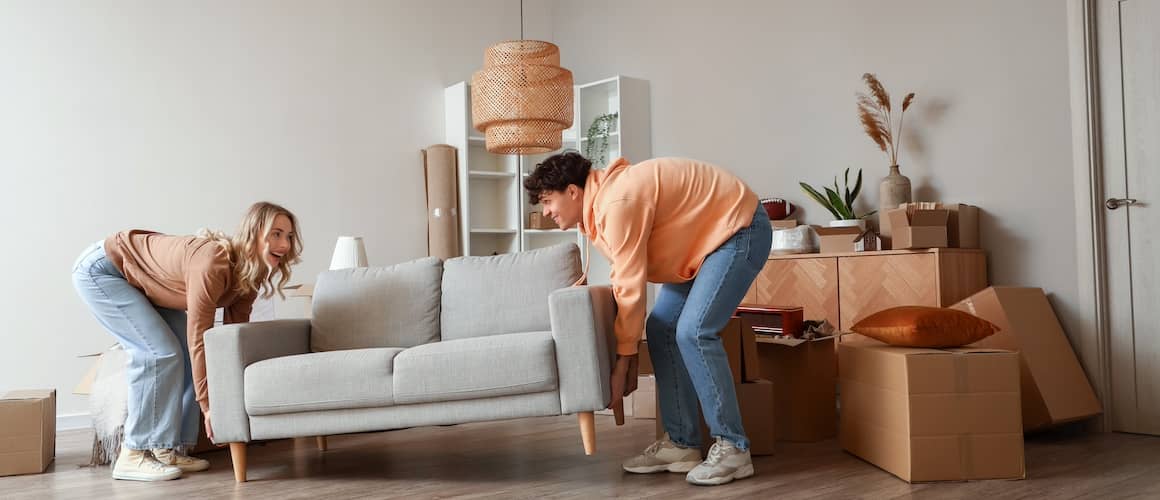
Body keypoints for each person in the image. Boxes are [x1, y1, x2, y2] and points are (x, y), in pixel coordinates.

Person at [524, 152, 770, 486]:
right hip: (701, 246)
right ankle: (682, 443)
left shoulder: (616, 202)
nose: (546, 212)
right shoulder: (600, 211)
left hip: (738, 229)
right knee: (661, 329)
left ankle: (733, 447)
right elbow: (623, 278)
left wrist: (624, 364)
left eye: (548, 201)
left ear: (573, 191)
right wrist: (625, 356)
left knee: (693, 332)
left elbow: (629, 285)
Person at [71, 201, 303, 481]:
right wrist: (208, 407)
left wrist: (231, 395)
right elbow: (200, 337)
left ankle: (167, 448)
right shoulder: (213, 262)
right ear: (253, 233)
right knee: (160, 353)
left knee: (180, 350)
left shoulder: (251, 274)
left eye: (289, 236)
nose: (285, 244)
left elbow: (229, 341)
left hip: (147, 283)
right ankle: (133, 453)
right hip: (104, 270)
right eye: (276, 233)